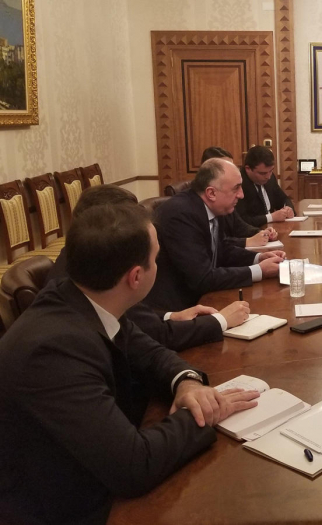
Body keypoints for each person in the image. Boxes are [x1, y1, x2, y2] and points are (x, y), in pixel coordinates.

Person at [0, 203, 260, 524]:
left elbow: (151, 353)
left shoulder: (84, 298)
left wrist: (187, 382)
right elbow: (135, 466)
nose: (158, 266)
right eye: (155, 258)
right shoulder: (52, 352)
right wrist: (208, 412)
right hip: (65, 508)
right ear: (136, 276)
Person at [46, 185, 250, 352]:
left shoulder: (86, 259)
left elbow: (138, 326)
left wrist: (170, 316)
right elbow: (156, 336)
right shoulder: (102, 273)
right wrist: (221, 320)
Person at [145, 158, 285, 311]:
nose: (241, 195)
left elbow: (221, 249)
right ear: (211, 193)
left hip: (202, 297)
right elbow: (202, 278)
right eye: (236, 188)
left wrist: (258, 258)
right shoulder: (181, 215)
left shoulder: (212, 207)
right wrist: (259, 271)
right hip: (178, 309)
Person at [201, 146, 278, 248]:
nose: (241, 195)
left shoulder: (224, 202)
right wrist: (247, 242)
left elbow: (240, 227)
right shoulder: (187, 211)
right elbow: (215, 244)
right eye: (227, 170)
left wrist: (263, 233)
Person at [236, 145, 295, 227]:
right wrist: (270, 217)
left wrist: (288, 208)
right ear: (248, 169)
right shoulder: (238, 184)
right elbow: (241, 220)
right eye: (262, 173)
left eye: (271, 171)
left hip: (271, 230)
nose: (268, 176)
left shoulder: (270, 178)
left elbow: (284, 199)